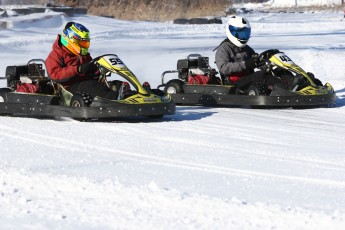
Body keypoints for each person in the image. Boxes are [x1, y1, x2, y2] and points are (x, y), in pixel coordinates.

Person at [46, 21, 128, 101]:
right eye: (81, 43)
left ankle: (132, 96)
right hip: (69, 88)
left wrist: (100, 71)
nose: (84, 46)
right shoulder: (56, 54)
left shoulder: (83, 55)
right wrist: (77, 69)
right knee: (91, 86)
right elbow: (54, 74)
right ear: (71, 39)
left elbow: (92, 70)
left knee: (115, 84)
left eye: (85, 43)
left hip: (87, 83)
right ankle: (116, 100)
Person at [215, 15, 278, 94]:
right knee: (259, 75)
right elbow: (224, 68)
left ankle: (291, 87)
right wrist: (246, 64)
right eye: (239, 33)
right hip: (234, 83)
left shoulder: (246, 48)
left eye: (244, 33)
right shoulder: (223, 48)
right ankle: (283, 91)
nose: (242, 36)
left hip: (247, 79)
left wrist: (267, 62)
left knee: (274, 72)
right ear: (230, 31)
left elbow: (257, 59)